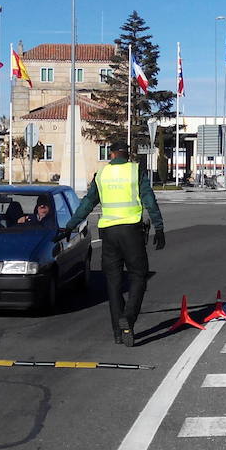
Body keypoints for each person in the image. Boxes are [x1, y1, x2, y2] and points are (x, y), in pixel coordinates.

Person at [61, 140, 165, 346]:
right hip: (131, 232)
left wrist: (70, 226)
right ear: (128, 155)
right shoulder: (135, 171)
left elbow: (87, 203)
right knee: (138, 276)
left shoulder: (101, 175)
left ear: (111, 155)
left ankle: (118, 332)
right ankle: (129, 317)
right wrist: (159, 227)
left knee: (114, 282)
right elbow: (149, 200)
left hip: (108, 233)